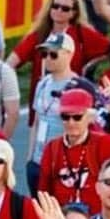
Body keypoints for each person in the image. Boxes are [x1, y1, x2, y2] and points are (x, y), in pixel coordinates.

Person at [37, 87, 110, 213]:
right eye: (65, 117)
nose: (71, 122)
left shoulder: (102, 142)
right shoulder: (52, 148)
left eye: (77, 117)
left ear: (90, 117)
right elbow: (43, 194)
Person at [7, 0, 110, 111]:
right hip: (42, 100)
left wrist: (90, 68)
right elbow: (10, 64)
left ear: (74, 13)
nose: (59, 11)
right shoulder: (39, 34)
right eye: (55, 6)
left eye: (65, 9)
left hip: (71, 100)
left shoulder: (82, 33)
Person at [25, 34, 82, 193]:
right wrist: (30, 158)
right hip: (37, 161)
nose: (47, 59)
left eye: (53, 54)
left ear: (69, 54)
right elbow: (36, 121)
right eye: (44, 54)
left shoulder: (76, 87)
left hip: (60, 164)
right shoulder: (42, 83)